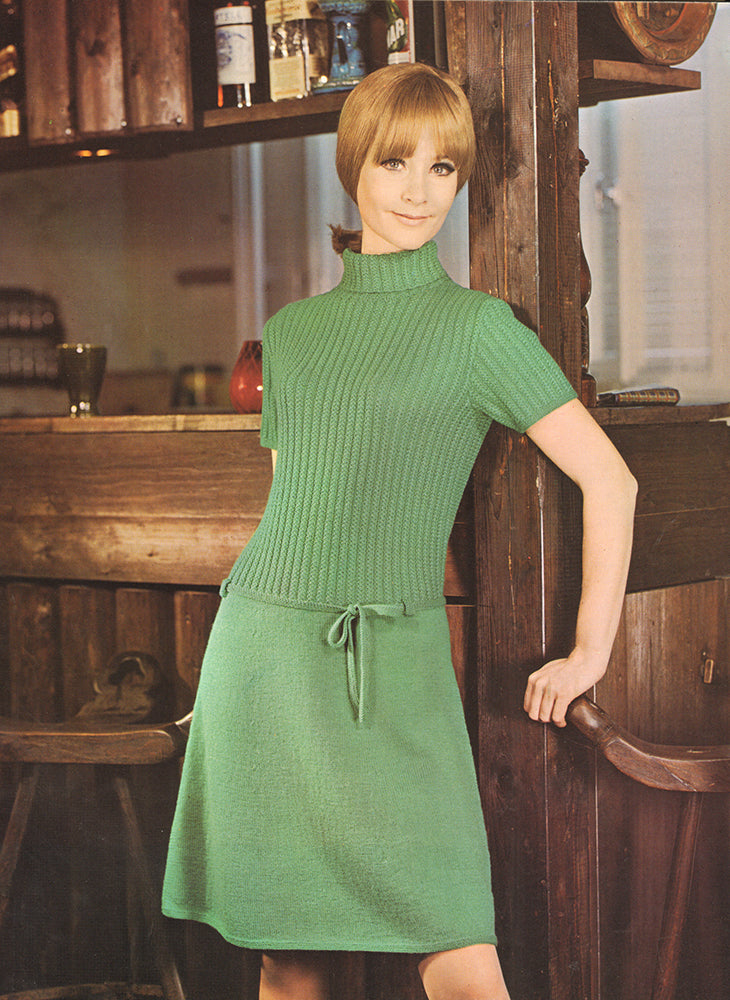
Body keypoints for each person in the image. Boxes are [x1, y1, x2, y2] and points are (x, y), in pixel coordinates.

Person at [162, 63, 637, 1000]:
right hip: (268, 657)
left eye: (442, 168)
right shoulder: (291, 334)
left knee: (457, 946)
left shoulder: (480, 329)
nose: (420, 190)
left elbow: (611, 480)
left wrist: (591, 652)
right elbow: (299, 501)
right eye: (394, 162)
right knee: (287, 957)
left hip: (397, 663)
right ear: (354, 168)